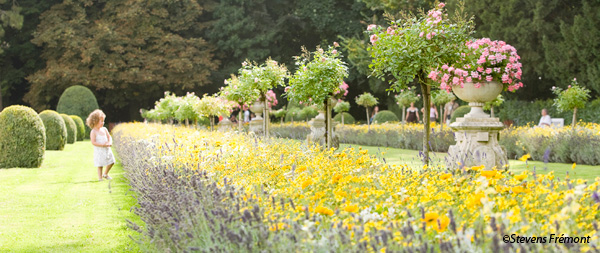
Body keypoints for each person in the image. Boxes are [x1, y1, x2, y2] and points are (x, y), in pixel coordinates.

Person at [86, 109, 115, 181]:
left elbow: (109, 137)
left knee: (112, 161)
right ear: (95, 121)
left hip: (107, 149)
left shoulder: (104, 129)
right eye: (101, 121)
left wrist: (110, 142)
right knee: (100, 164)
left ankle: (105, 174)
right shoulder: (93, 132)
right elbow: (93, 142)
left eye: (103, 121)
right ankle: (100, 178)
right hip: (99, 150)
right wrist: (102, 145)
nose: (103, 122)